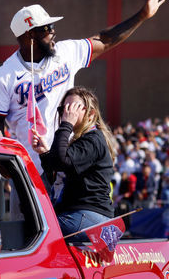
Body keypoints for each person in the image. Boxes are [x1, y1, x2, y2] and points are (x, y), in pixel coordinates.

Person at [0, 0, 165, 173]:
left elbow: (105, 39)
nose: (53, 32)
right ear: (30, 34)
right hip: (30, 171)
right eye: (47, 28)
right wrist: (2, 161)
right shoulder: (3, 77)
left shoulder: (65, 52)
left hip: (67, 163)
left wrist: (142, 16)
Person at [30, 87, 117, 241]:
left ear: (91, 114)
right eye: (64, 108)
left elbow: (62, 161)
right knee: (32, 227)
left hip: (90, 215)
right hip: (82, 215)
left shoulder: (93, 139)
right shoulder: (84, 140)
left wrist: (66, 124)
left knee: (34, 234)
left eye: (73, 108)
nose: (67, 113)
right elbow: (57, 166)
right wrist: (44, 153)